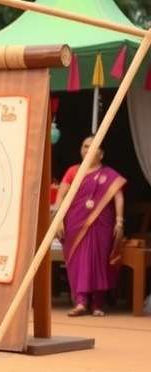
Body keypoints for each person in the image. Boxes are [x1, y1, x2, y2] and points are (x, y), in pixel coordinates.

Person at [55, 135, 126, 317]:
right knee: (77, 260)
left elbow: (118, 197)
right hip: (75, 223)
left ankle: (97, 303)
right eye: (85, 146)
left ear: (101, 154)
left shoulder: (109, 175)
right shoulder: (73, 171)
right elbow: (60, 196)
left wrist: (119, 221)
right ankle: (80, 302)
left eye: (92, 146)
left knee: (99, 261)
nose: (87, 149)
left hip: (102, 224)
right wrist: (58, 220)